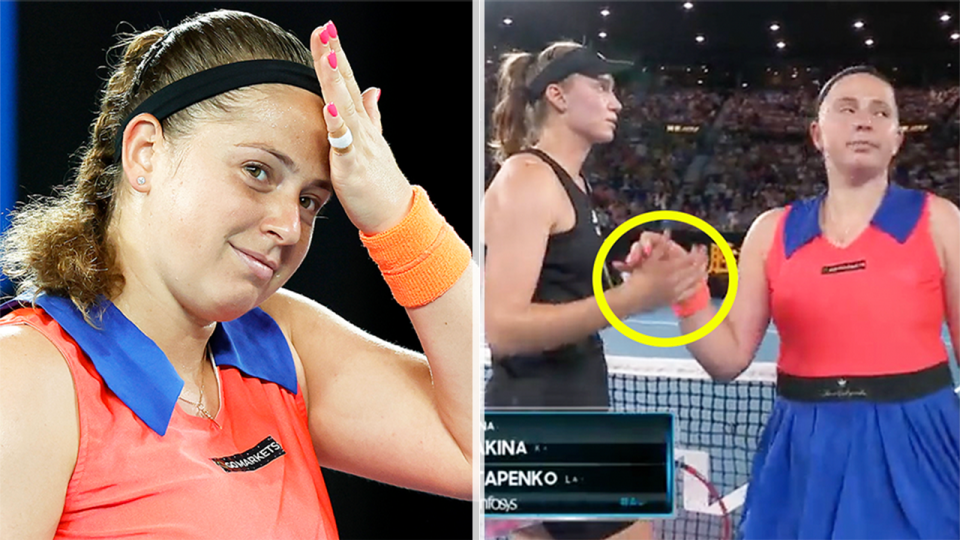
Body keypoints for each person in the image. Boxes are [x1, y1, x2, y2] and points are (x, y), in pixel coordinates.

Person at [0, 10, 472, 539]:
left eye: (311, 201)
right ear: (145, 153)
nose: (290, 226)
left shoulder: (278, 340)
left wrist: (396, 215)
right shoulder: (24, 376)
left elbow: (511, 451)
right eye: (257, 171)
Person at [637, 65, 959, 539]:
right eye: (847, 110)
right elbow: (726, 361)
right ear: (816, 134)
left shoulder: (941, 221)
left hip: (919, 437)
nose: (864, 121)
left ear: (897, 139)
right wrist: (686, 293)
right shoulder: (771, 231)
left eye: (880, 112)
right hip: (804, 442)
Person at [483, 42, 707, 540]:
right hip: (543, 421)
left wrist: (632, 274)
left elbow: (565, 294)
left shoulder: (571, 184)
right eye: (601, 87)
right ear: (558, 95)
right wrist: (630, 298)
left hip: (566, 412)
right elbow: (502, 328)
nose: (617, 102)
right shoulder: (526, 178)